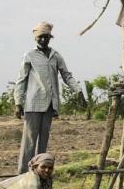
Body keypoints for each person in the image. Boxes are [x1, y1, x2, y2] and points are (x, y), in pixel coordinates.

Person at [14, 22, 80, 174]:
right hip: (33, 103)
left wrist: (77, 90)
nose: (43, 40)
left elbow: (66, 75)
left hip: (50, 104)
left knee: (42, 142)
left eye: (46, 37)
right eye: (40, 37)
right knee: (29, 142)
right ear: (36, 38)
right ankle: (23, 174)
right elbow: (21, 80)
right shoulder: (29, 56)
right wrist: (18, 102)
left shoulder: (55, 55)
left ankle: (38, 172)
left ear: (50, 38)